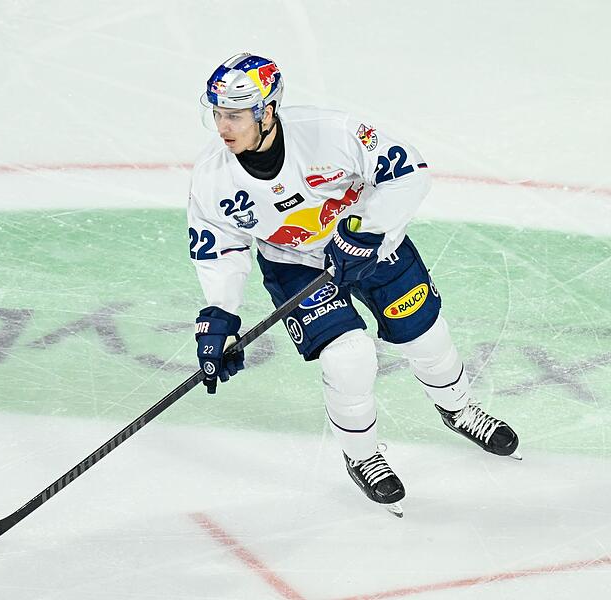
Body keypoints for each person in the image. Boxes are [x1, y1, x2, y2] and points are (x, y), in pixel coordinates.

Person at [187, 52, 520, 516]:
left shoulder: (332, 132)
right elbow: (219, 247)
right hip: (295, 263)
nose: (224, 127)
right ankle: (363, 455)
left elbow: (409, 172)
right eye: (218, 114)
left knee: (426, 335)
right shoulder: (212, 179)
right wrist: (220, 314)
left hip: (372, 245)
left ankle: (459, 409)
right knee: (349, 356)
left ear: (267, 111)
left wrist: (366, 229)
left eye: (236, 115)